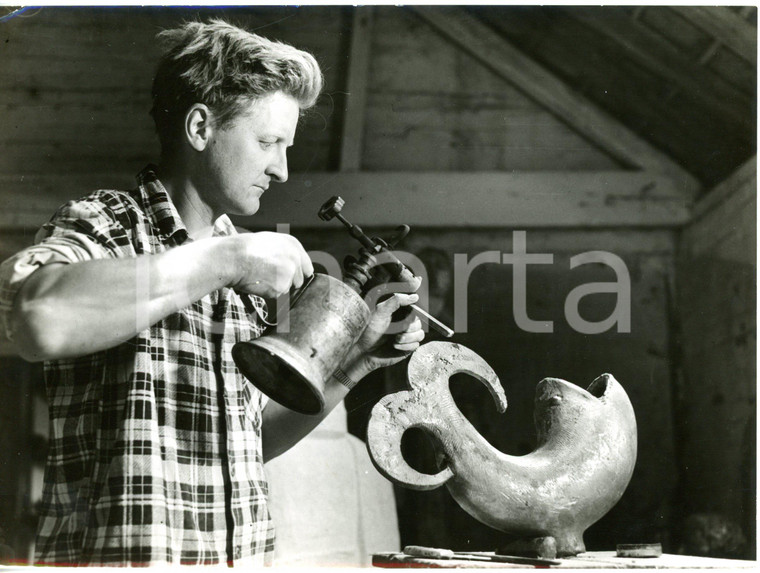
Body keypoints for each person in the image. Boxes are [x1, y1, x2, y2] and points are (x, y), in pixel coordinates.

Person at [0, 19, 423, 566]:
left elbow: (249, 443)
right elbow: (36, 317)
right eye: (268, 142)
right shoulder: (107, 224)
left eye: (287, 147)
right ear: (200, 127)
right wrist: (228, 260)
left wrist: (353, 364)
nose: (282, 170)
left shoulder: (240, 269)